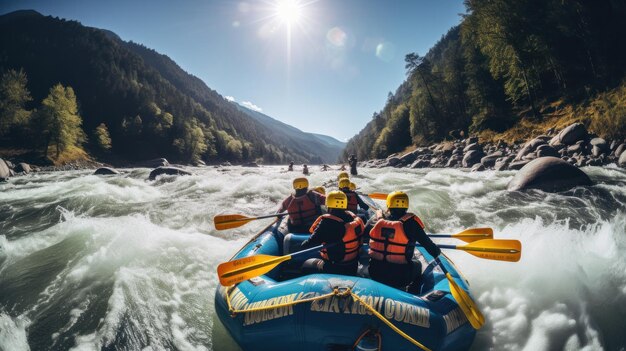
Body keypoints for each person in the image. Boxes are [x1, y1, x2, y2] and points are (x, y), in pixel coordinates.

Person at [366, 191, 441, 293]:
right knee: (418, 265)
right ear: (406, 205)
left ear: (389, 204)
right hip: (400, 276)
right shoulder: (412, 222)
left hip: (375, 272)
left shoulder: (375, 220)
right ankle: (412, 293)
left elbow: (363, 237)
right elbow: (429, 247)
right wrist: (437, 252)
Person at [301, 191, 365, 276]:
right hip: (352, 266)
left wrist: (303, 244)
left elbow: (307, 245)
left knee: (306, 265)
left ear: (328, 204)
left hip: (334, 267)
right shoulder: (353, 218)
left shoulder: (327, 223)